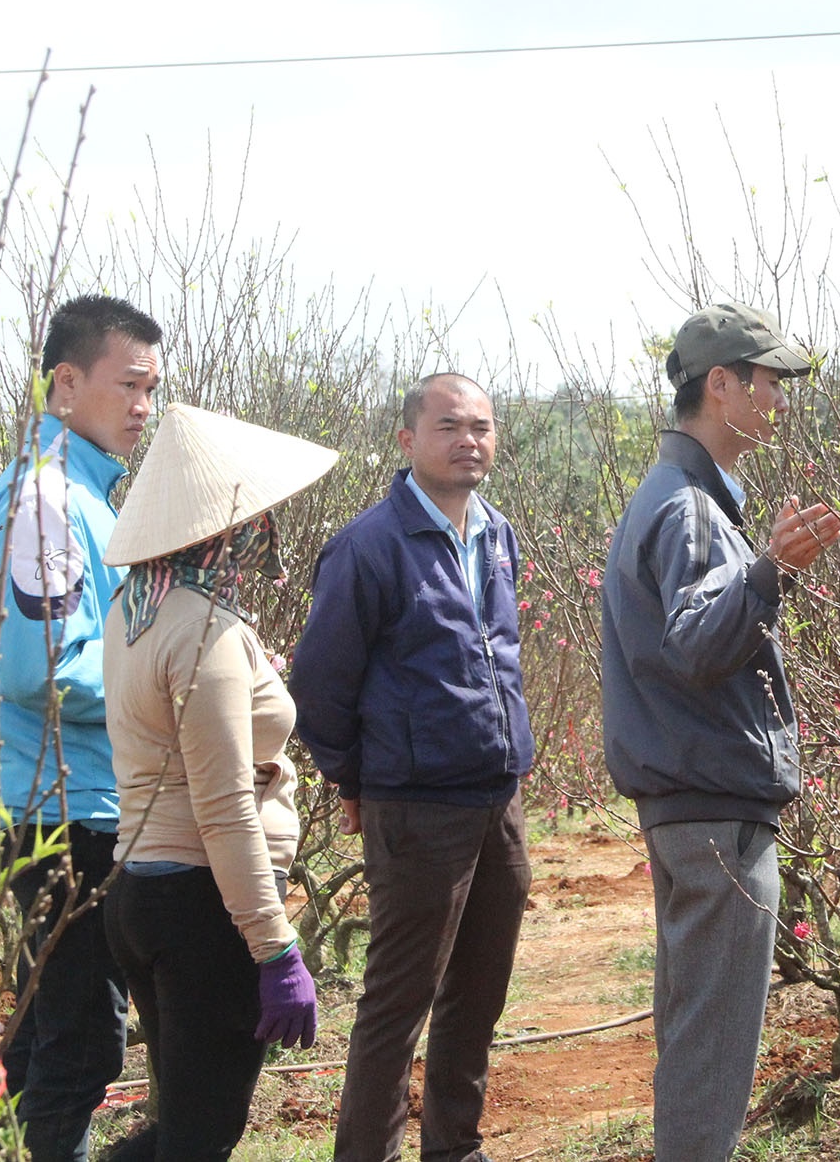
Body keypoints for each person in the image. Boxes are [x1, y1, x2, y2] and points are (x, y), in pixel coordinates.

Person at [598, 301, 840, 1162]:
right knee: (710, 1048)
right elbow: (696, 643)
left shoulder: (680, 498)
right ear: (721, 385)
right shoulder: (693, 512)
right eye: (769, 382)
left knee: (692, 1034)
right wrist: (769, 571)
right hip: (715, 815)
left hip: (688, 808)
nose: (778, 399)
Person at [290, 373, 534, 1162]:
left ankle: (454, 1148)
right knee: (399, 1004)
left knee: (479, 994)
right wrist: (357, 779)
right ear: (407, 441)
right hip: (416, 808)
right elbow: (319, 685)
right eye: (450, 426)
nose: (470, 441)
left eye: (483, 427)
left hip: (497, 798)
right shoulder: (370, 547)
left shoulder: (496, 534)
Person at [0, 294, 161, 1162]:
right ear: (65, 384)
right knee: (83, 1041)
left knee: (46, 1031)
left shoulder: (84, 491)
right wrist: (162, 694)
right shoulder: (48, 499)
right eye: (130, 385)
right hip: (60, 803)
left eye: (154, 390)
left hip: (66, 791)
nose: (144, 406)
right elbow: (44, 665)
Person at [100, 403, 338, 1160]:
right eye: (256, 519)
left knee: (181, 1128)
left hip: (145, 892)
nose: (267, 533)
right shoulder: (204, 632)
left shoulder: (134, 609)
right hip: (205, 910)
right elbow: (224, 805)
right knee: (201, 1138)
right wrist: (274, 949)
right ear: (227, 528)